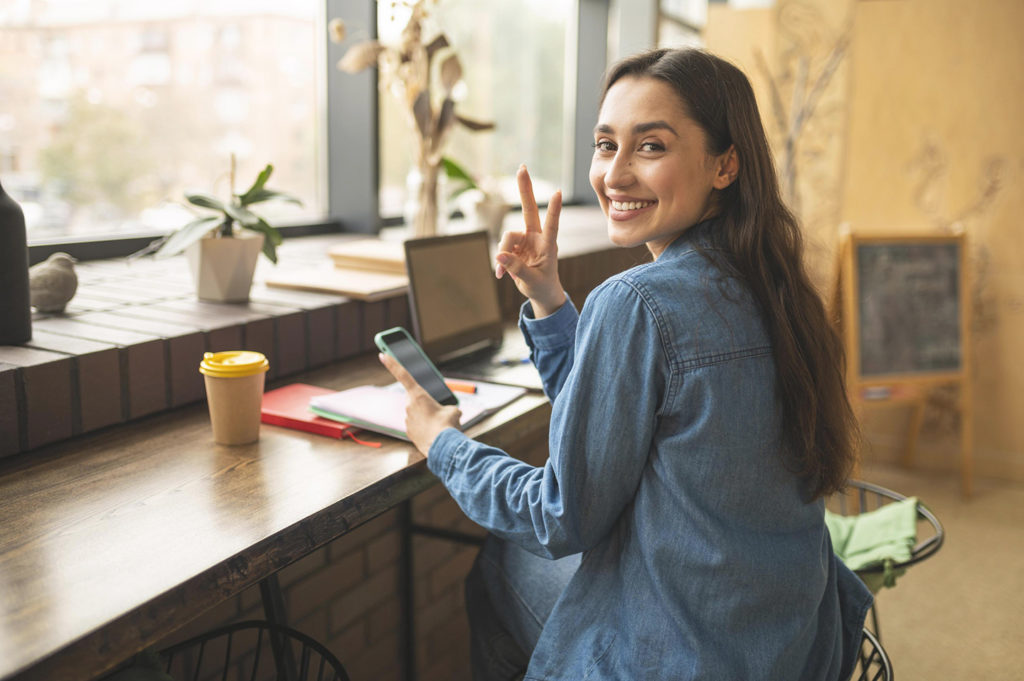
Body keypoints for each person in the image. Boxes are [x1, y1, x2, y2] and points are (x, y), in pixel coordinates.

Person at [380, 47, 872, 681]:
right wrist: (549, 299)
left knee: (503, 560)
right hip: (788, 646)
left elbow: (559, 516)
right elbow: (619, 422)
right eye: (605, 145)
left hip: (685, 656)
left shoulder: (636, 301)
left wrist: (442, 442)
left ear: (725, 164)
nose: (614, 175)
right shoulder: (778, 288)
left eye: (651, 147)